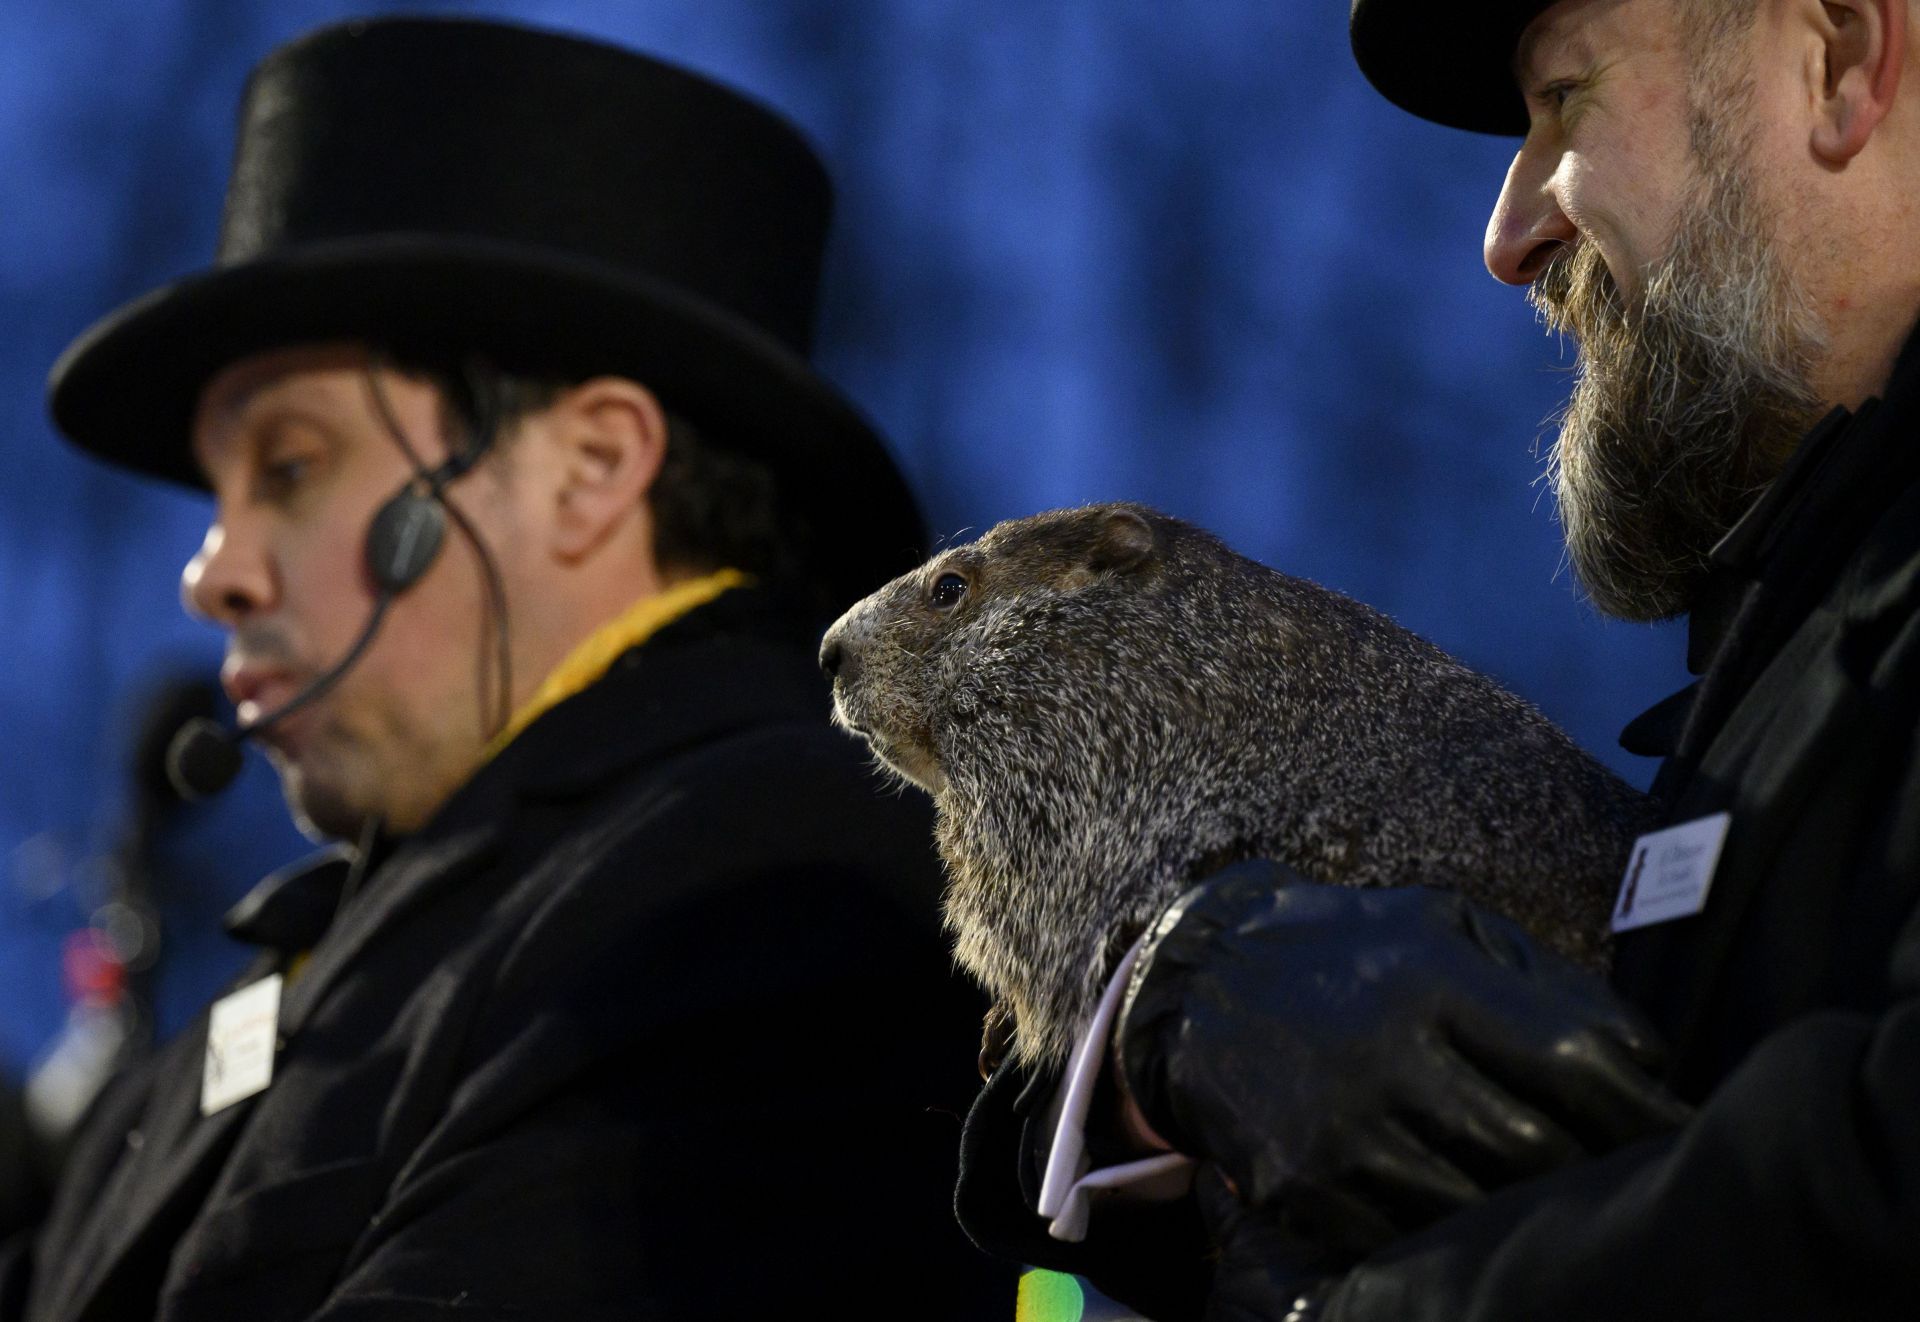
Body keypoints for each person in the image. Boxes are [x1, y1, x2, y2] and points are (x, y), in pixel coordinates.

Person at [0, 17, 1007, 1321]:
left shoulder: (771, 889)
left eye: (291, 467)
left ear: (591, 469)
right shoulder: (307, 967)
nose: (212, 572)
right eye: (217, 494)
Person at [956, 0, 1920, 1317]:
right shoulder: (1785, 634)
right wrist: (1162, 1029)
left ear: (1842, 61)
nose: (1507, 236)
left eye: (1564, 102)